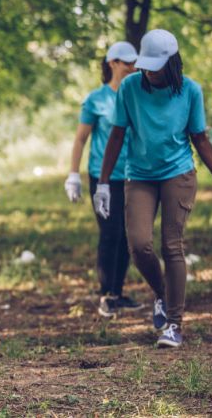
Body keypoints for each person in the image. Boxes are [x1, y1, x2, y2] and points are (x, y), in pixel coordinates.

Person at [93, 29, 212, 348]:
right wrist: (104, 184)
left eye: (155, 66)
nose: (149, 71)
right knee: (139, 245)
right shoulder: (130, 88)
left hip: (178, 173)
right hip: (140, 175)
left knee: (172, 246)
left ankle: (174, 324)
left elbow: (200, 139)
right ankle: (163, 295)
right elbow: (117, 135)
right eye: (145, 65)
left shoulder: (190, 91)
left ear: (171, 63)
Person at [65, 42, 143, 317]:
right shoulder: (96, 100)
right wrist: (73, 174)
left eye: (135, 63)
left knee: (128, 237)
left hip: (134, 175)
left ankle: (118, 293)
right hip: (104, 177)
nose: (133, 67)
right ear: (112, 63)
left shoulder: (137, 95)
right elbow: (80, 139)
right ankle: (105, 295)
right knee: (110, 234)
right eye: (127, 62)